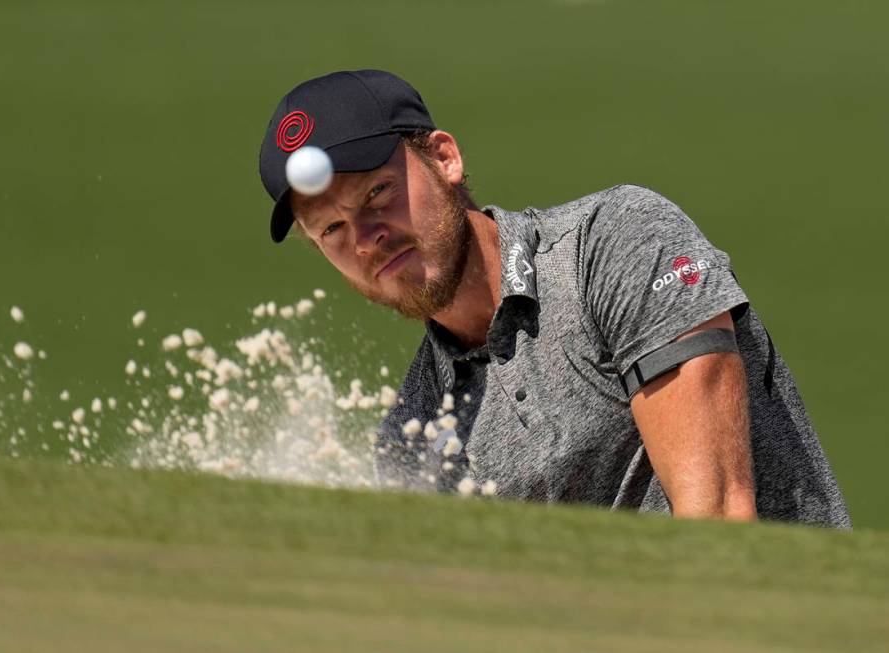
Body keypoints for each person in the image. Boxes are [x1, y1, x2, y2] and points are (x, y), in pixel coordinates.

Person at [258, 69, 850, 528]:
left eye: (378, 192)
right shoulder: (414, 429)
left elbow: (719, 520)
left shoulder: (617, 242)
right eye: (332, 230)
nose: (366, 238)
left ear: (445, 158)